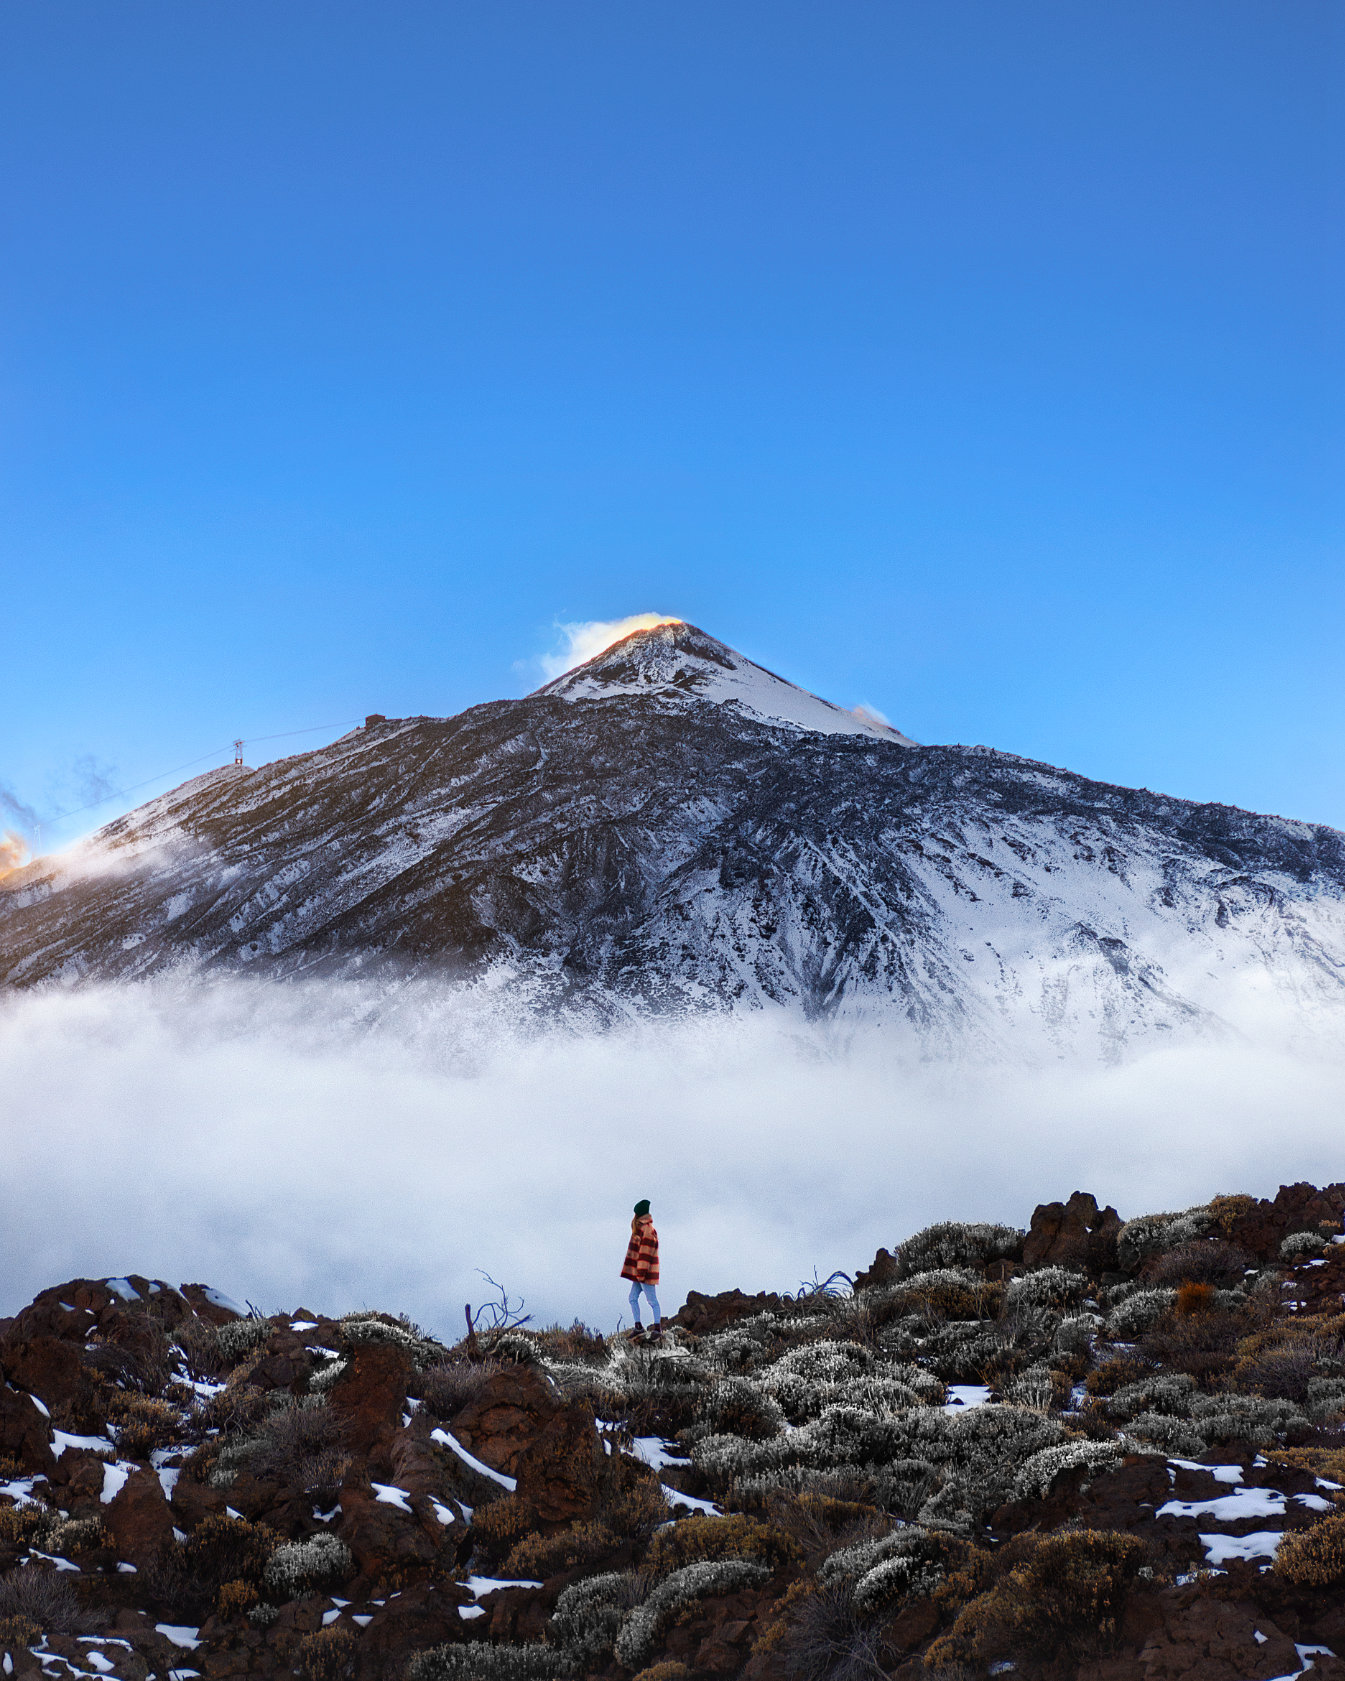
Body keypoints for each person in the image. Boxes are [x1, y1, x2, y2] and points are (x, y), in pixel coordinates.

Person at [621, 1198, 661, 1341]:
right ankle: (638, 1326)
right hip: (640, 1273)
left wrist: (641, 1273)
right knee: (632, 1298)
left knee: (652, 1301)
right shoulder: (641, 1229)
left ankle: (657, 1328)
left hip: (644, 1274)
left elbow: (645, 1253)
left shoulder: (647, 1231)